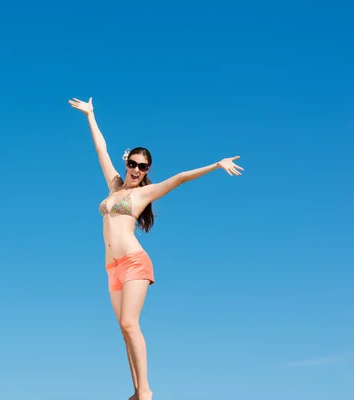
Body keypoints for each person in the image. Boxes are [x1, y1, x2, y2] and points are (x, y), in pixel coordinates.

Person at [68, 97, 244, 400]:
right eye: (132, 163)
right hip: (112, 268)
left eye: (142, 166)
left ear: (147, 170)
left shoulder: (144, 193)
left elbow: (180, 178)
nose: (136, 169)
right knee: (124, 332)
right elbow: (100, 149)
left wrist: (217, 164)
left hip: (135, 262)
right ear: (127, 163)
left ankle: (146, 392)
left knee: (129, 322)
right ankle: (136, 391)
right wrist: (90, 115)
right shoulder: (113, 187)